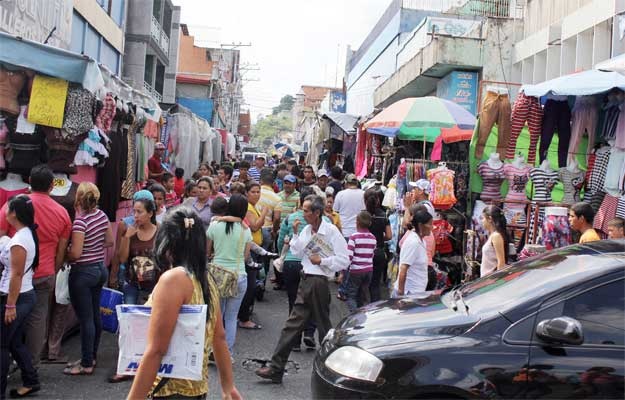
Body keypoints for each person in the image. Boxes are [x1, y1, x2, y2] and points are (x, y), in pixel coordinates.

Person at [127, 207, 240, 400]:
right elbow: (219, 337)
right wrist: (228, 386)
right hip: (196, 389)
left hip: (168, 389)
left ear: (166, 240)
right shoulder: (205, 278)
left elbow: (156, 350)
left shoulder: (173, 280)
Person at [256, 195, 349, 383]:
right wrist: (296, 234)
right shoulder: (307, 229)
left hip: (319, 281)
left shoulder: (330, 231)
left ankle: (334, 370)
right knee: (292, 326)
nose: (303, 213)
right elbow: (298, 253)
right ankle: (276, 367)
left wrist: (322, 260)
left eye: (306, 210)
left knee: (324, 328)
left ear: (316, 213)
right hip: (306, 280)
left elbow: (344, 259)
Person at [0, 165, 72, 366]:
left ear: (29, 181)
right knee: (38, 319)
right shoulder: (62, 212)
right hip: (44, 272)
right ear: (52, 186)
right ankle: (30, 365)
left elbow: (1, 235)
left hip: (14, 272)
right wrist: (54, 269)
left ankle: (9, 361)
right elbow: (62, 248)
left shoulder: (14, 206)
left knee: (8, 316)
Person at [65, 183, 113, 375]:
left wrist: (65, 253)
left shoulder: (80, 222)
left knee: (86, 319)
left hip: (83, 272)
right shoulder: (101, 216)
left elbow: (75, 254)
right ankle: (90, 356)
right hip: (100, 269)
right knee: (94, 315)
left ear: (79, 198)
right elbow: (109, 241)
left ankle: (86, 363)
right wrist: (94, 247)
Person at [0, 195, 41, 398]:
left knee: (2, 345)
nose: (5, 210)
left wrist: (10, 306)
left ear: (14, 213)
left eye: (8, 207)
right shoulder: (26, 234)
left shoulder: (20, 240)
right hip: (23, 295)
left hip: (16, 297)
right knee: (14, 342)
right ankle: (31, 381)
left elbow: (16, 274)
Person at [206, 195, 251, 355]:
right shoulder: (245, 230)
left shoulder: (215, 226)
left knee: (217, 315)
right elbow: (246, 257)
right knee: (232, 318)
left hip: (217, 274)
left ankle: (212, 349)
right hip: (238, 275)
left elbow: (207, 250)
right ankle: (227, 353)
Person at [276, 187, 318, 351]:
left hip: (292, 263)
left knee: (294, 302)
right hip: (312, 266)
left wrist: (281, 255)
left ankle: (295, 340)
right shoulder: (324, 221)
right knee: (312, 301)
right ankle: (309, 333)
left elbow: (282, 240)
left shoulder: (291, 217)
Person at [237, 182, 268, 330]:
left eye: (258, 192)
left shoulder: (253, 206)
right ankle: (243, 317)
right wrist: (264, 213)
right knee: (249, 285)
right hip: (249, 251)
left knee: (251, 283)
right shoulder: (249, 208)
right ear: (247, 193)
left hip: (255, 249)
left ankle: (244, 314)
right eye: (253, 192)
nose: (257, 194)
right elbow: (254, 226)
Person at [118, 197, 158, 305]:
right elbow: (122, 259)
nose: (135, 215)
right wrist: (126, 237)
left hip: (154, 287)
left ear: (150, 214)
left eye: (139, 212)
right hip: (132, 285)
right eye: (134, 211)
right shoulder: (130, 232)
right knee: (130, 317)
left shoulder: (159, 232)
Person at [394, 205, 433, 297]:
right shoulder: (413, 242)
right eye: (430, 224)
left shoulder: (421, 240)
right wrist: (401, 295)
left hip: (416, 292)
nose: (432, 227)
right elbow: (403, 269)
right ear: (420, 225)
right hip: (408, 292)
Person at [345, 211, 376, 312]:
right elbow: (372, 255)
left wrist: (342, 271)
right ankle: (363, 316)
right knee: (362, 295)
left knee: (351, 295)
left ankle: (354, 317)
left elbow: (349, 257)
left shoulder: (353, 237)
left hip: (356, 270)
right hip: (369, 270)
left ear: (357, 222)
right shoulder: (373, 238)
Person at [365, 188, 391, 302]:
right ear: (378, 201)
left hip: (364, 252)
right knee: (375, 284)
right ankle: (375, 310)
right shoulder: (383, 216)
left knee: (363, 283)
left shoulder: (363, 215)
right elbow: (389, 236)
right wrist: (380, 238)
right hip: (379, 252)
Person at [333, 173, 365, 240]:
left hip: (344, 231)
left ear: (346, 183)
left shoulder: (340, 194)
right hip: (359, 231)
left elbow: (335, 212)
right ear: (357, 183)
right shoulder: (363, 194)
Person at [480, 205, 509, 277]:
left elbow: (501, 262)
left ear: (489, 219)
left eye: (483, 218)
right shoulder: (492, 235)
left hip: (491, 280)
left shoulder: (496, 236)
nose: (482, 221)